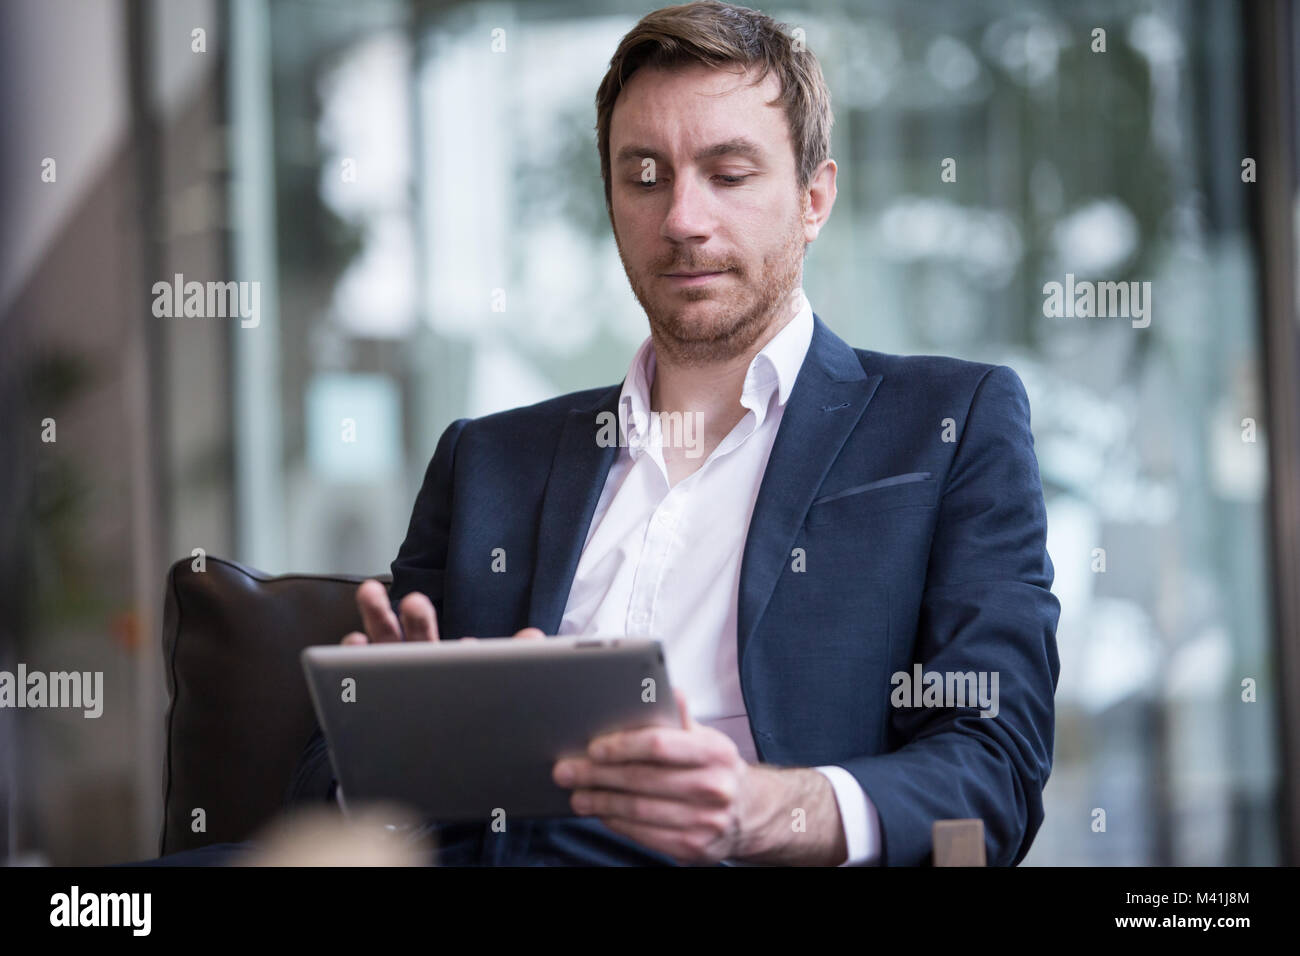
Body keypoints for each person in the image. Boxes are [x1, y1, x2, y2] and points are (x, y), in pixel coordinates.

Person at [291, 0, 1060, 868]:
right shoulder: (487, 462)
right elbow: (318, 781)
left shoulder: (950, 428)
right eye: (645, 176)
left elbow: (992, 779)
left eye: (729, 175)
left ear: (814, 198)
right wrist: (392, 750)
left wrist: (763, 808)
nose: (683, 220)